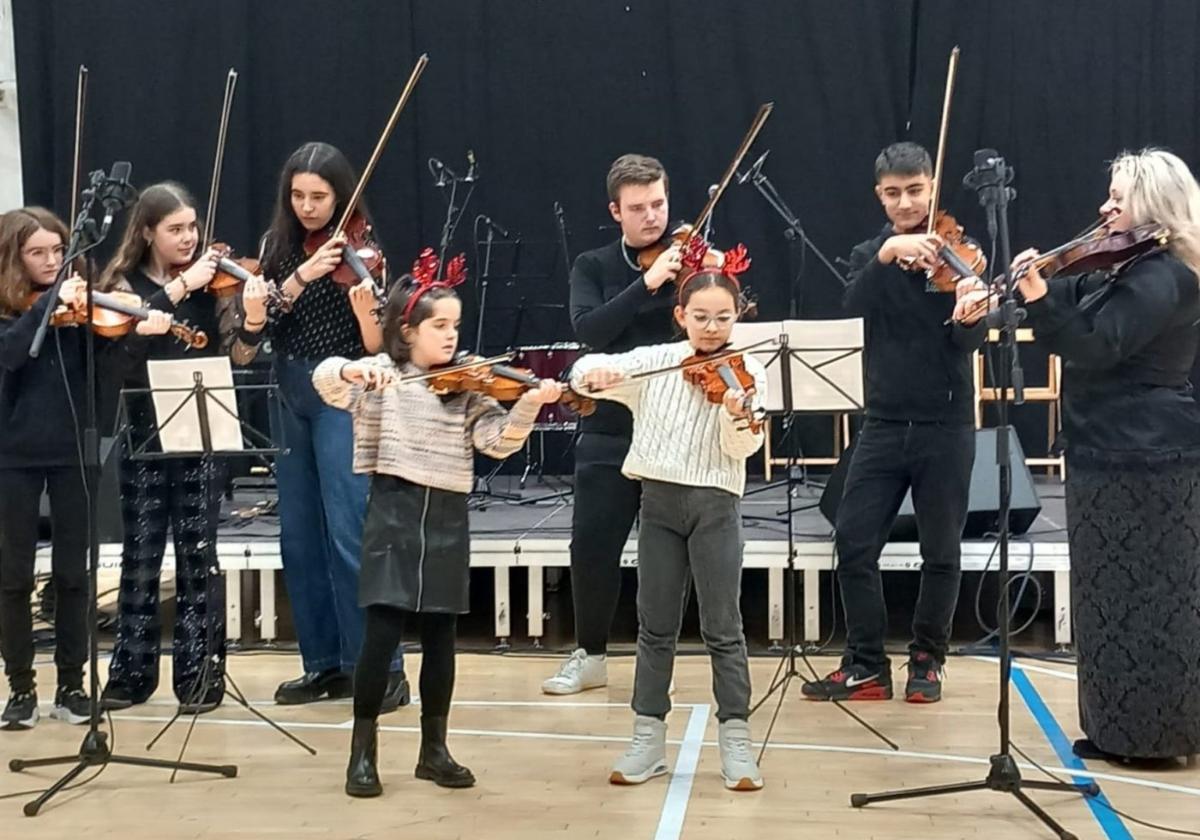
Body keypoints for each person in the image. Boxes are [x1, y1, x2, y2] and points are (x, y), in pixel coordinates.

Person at [312, 249, 561, 795]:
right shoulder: (381, 377)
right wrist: (353, 367)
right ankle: (363, 750)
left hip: (446, 515)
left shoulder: (468, 387)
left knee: (442, 638)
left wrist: (528, 405)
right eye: (439, 326)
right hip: (394, 511)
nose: (451, 337)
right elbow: (326, 380)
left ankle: (434, 749)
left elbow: (497, 443)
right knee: (380, 637)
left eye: (455, 326)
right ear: (408, 330)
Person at [999, 148, 1200, 764]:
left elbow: (1095, 346)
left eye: (1119, 198)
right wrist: (1036, 284)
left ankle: (1154, 735)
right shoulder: (1126, 270)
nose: (1105, 208)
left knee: (1148, 600)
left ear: (1154, 207)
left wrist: (1036, 297)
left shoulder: (1166, 276)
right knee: (1105, 599)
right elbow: (1073, 293)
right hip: (1106, 450)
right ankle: (1115, 726)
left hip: (1145, 459)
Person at [571, 242, 766, 791]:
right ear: (680, 316)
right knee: (654, 626)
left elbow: (741, 451)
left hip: (715, 508)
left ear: (737, 317)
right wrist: (596, 377)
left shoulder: (746, 373)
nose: (711, 328)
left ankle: (737, 743)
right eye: (700, 317)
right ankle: (647, 739)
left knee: (723, 627)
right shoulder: (656, 361)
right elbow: (588, 364)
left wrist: (736, 416)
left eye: (723, 318)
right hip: (657, 505)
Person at [802, 141, 985, 704]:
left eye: (915, 190)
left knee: (941, 551)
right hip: (882, 421)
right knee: (854, 543)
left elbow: (965, 343)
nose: (905, 203)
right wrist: (888, 254)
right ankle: (865, 664)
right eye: (893, 193)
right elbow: (854, 309)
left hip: (945, 423)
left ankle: (927, 661)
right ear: (879, 196)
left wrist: (971, 315)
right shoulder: (868, 255)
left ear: (932, 187)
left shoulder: (963, 252)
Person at [246, 142, 406, 709]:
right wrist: (299, 276)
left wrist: (367, 310)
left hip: (342, 391)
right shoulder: (276, 246)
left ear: (341, 197)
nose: (308, 208)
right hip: (289, 391)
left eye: (319, 197)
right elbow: (259, 328)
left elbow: (379, 346)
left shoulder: (362, 249)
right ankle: (324, 665)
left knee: (349, 531)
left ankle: (381, 667)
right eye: (298, 196)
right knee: (299, 536)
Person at [97, 182, 267, 714]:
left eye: (191, 227)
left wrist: (254, 321)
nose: (189, 238)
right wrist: (173, 292)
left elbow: (238, 355)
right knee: (141, 555)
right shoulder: (122, 285)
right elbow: (117, 365)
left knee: (199, 555)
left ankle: (200, 674)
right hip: (145, 435)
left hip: (200, 435)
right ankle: (130, 674)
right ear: (147, 232)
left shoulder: (211, 285)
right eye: (175, 229)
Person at [0, 207, 171, 729]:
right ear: (13, 258)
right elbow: (10, 356)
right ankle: (21, 688)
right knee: (12, 577)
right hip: (12, 454)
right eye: (38, 253)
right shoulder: (15, 313)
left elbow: (110, 376)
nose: (52, 262)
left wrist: (140, 331)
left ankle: (73, 684)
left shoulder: (82, 310)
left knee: (76, 574)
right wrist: (47, 307)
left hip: (74, 450)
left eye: (58, 251)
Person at [542, 153, 682, 695]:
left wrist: (709, 284)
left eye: (659, 204)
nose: (652, 217)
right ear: (616, 211)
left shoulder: (688, 264)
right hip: (608, 424)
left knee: (666, 553)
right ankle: (591, 655)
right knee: (592, 544)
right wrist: (646, 283)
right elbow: (592, 331)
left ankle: (658, 662)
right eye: (639, 208)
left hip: (672, 424)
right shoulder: (594, 266)